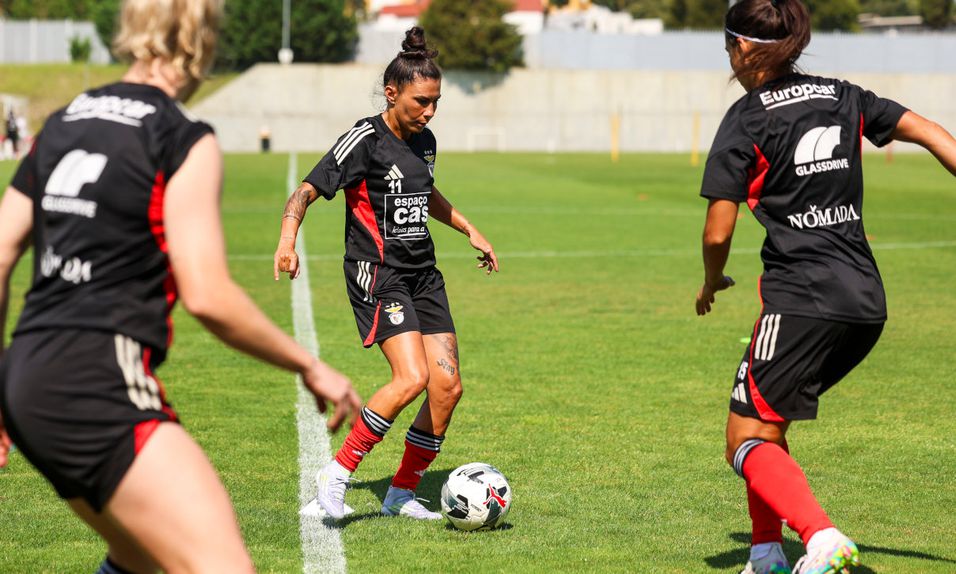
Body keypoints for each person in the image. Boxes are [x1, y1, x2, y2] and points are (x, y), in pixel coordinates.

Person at [0, 0, 361, 571]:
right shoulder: (180, 137)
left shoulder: (64, 121)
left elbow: (0, 252)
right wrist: (308, 365)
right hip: (97, 381)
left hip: (24, 377)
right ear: (199, 45)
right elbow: (208, 296)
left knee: (139, 558)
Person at [695, 1, 956, 573]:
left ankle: (820, 536)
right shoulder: (843, 95)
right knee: (765, 423)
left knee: (744, 438)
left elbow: (719, 230)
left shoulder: (746, 117)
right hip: (865, 300)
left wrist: (713, 280)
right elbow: (931, 133)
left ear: (741, 48)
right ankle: (765, 555)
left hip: (801, 298)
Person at [274, 27, 499, 521]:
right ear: (392, 93)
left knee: (447, 387)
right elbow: (308, 189)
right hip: (379, 274)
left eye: (436, 101)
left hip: (425, 276)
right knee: (412, 376)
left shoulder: (426, 141)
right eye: (422, 101)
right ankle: (335, 475)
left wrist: (468, 229)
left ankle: (401, 493)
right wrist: (288, 239)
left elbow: (426, 194)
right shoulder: (363, 139)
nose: (430, 111)